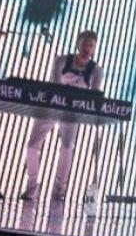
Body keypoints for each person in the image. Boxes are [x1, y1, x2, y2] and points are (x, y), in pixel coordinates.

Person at [20, 29, 105, 201]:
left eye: (91, 45)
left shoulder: (96, 70)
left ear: (94, 49)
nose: (87, 48)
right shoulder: (61, 61)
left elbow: (94, 96)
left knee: (67, 148)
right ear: (77, 43)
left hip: (72, 112)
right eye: (84, 44)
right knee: (32, 146)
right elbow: (55, 85)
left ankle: (59, 190)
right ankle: (32, 185)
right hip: (51, 106)